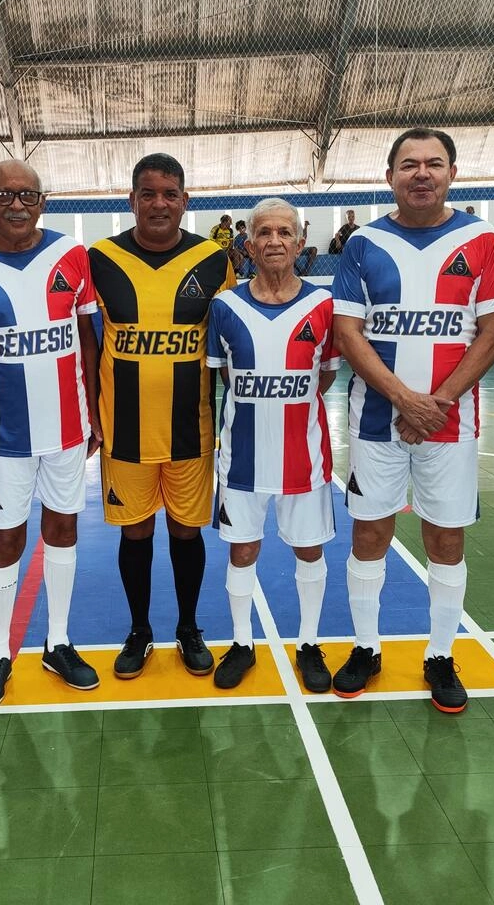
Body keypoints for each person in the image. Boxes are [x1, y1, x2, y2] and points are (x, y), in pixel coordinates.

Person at [331, 127, 494, 712]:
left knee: (445, 538)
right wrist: (403, 400)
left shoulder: (481, 240)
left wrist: (436, 404)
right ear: (390, 177)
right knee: (369, 534)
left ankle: (440, 654)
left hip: (450, 424)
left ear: (452, 174)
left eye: (434, 163)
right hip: (377, 420)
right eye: (409, 164)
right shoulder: (363, 244)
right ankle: (366, 648)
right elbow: (348, 332)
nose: (421, 173)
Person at [0, 160, 102, 708]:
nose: (16, 204)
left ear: (43, 202)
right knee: (6, 538)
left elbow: (87, 337)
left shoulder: (70, 255)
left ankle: (58, 640)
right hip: (2, 438)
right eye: (4, 195)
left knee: (62, 528)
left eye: (28, 195)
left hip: (67, 429)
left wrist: (96, 414)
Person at [90, 153, 236, 679]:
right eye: (148, 193)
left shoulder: (214, 262)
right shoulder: (99, 259)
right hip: (123, 430)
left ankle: (189, 627)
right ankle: (139, 630)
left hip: (190, 431)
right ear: (131, 200)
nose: (159, 203)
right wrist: (91, 412)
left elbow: (232, 345)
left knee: (186, 533)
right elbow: (85, 347)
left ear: (184, 201)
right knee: (134, 534)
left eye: (169, 194)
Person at [206, 198, 340, 691]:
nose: (275, 241)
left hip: (303, 459)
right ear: (248, 244)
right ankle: (243, 643)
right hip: (240, 460)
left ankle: (308, 643)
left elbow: (323, 377)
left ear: (301, 243)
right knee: (242, 550)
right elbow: (223, 374)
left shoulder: (322, 306)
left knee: (309, 550)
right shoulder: (225, 307)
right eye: (264, 233)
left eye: (285, 232)